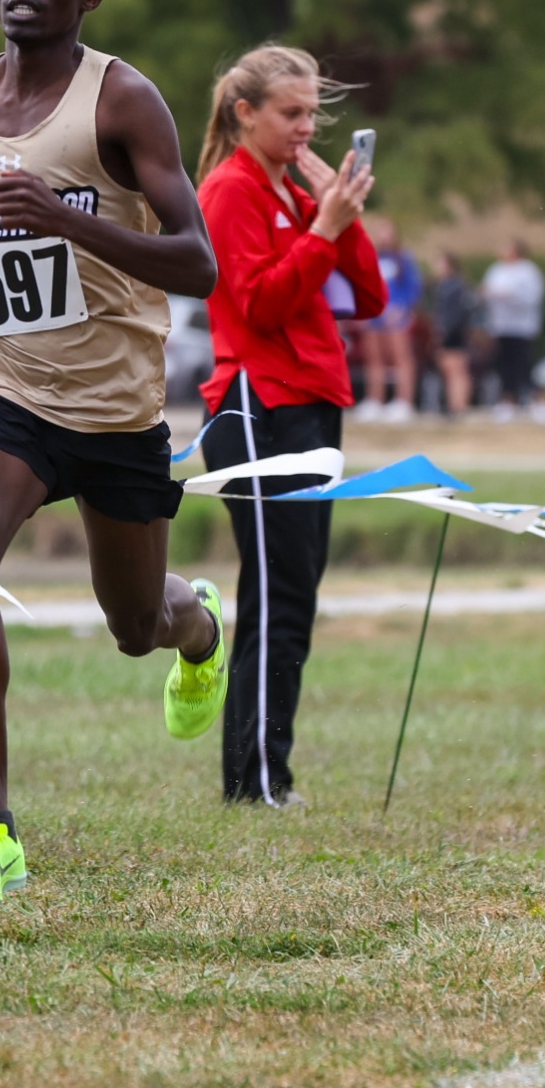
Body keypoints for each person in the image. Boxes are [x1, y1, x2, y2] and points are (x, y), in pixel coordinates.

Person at [0, 0, 225, 906]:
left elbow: (197, 262)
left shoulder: (122, 100)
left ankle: (198, 628)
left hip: (115, 405)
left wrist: (67, 225)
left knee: (135, 622)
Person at [193, 44, 385, 806]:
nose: (307, 128)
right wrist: (321, 231)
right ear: (246, 114)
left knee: (297, 593)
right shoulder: (229, 190)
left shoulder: (297, 194)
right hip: (257, 406)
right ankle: (256, 779)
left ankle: (267, 771)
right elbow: (260, 304)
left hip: (311, 401)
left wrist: (339, 213)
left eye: (313, 114)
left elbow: (368, 297)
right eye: (292, 112)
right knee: (275, 595)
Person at [357, 217, 419, 422]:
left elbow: (414, 287)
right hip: (375, 315)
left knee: (401, 358)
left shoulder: (404, 258)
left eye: (388, 232)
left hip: (396, 316)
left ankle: (404, 401)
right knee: (374, 359)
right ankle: (375, 400)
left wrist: (403, 309)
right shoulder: (372, 257)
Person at [482, 238, 545, 422]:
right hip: (502, 326)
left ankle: (536, 401)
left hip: (522, 326)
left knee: (525, 364)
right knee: (505, 366)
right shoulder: (496, 270)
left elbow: (533, 297)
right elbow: (488, 293)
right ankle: (508, 401)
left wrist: (510, 296)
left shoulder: (529, 270)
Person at [431, 251, 476, 418]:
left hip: (452, 331)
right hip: (453, 330)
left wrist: (444, 331)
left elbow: (453, 313)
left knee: (456, 369)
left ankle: (458, 405)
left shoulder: (452, 286)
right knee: (452, 369)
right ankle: (455, 404)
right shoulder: (450, 285)